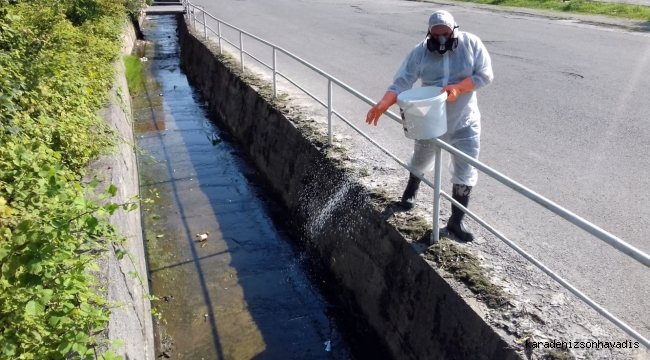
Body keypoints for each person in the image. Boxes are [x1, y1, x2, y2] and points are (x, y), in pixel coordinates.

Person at [365, 10, 493, 242]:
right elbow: (403, 81)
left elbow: (485, 75)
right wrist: (384, 103)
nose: (441, 41)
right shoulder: (420, 51)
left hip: (464, 119)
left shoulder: (471, 44)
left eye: (445, 35)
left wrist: (460, 87)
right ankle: (411, 189)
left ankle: (456, 221)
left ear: (454, 30)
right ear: (429, 34)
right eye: (436, 37)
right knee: (421, 158)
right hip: (429, 119)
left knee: (465, 168)